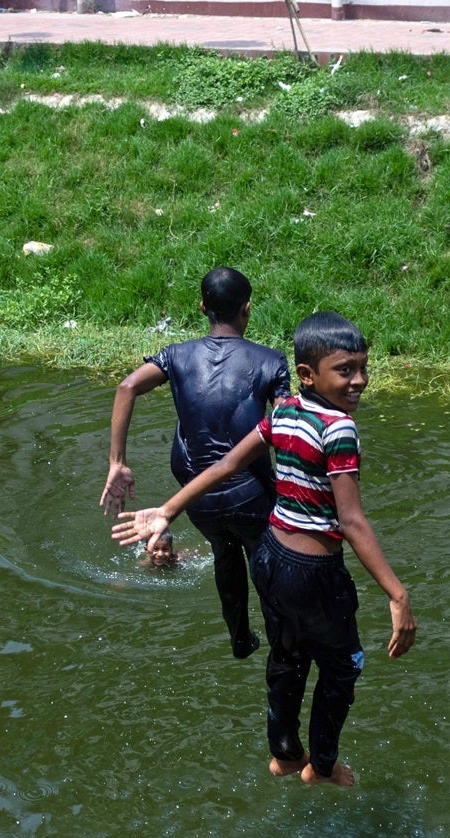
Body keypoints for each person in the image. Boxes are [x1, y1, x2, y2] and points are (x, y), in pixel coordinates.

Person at [114, 313, 414, 787]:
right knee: (342, 665)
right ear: (308, 373)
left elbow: (228, 463)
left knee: (288, 654)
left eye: (362, 367)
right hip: (315, 571)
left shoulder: (285, 411)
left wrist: (170, 508)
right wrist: (397, 595)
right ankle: (322, 765)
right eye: (345, 370)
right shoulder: (339, 429)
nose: (359, 381)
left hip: (271, 558)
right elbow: (352, 521)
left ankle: (284, 753)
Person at [101, 267, 288, 659]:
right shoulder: (271, 362)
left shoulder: (176, 355)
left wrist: (117, 462)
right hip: (251, 490)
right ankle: (281, 643)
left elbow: (127, 386)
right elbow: (285, 428)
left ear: (202, 307)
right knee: (263, 557)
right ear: (247, 309)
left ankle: (239, 636)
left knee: (224, 551)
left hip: (194, 494)